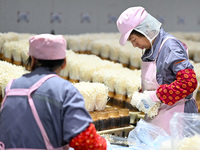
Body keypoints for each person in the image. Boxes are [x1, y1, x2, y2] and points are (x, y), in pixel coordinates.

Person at [0, 34, 107, 150]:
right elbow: (85, 140)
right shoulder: (65, 90)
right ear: (64, 63)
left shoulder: (11, 87)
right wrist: (106, 145)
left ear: (32, 60)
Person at [116, 6, 198, 135]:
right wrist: (142, 95)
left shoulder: (170, 47)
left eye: (133, 39)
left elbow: (189, 83)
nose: (134, 45)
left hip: (177, 118)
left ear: (145, 30)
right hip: (160, 116)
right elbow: (162, 79)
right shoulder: (151, 50)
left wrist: (155, 96)